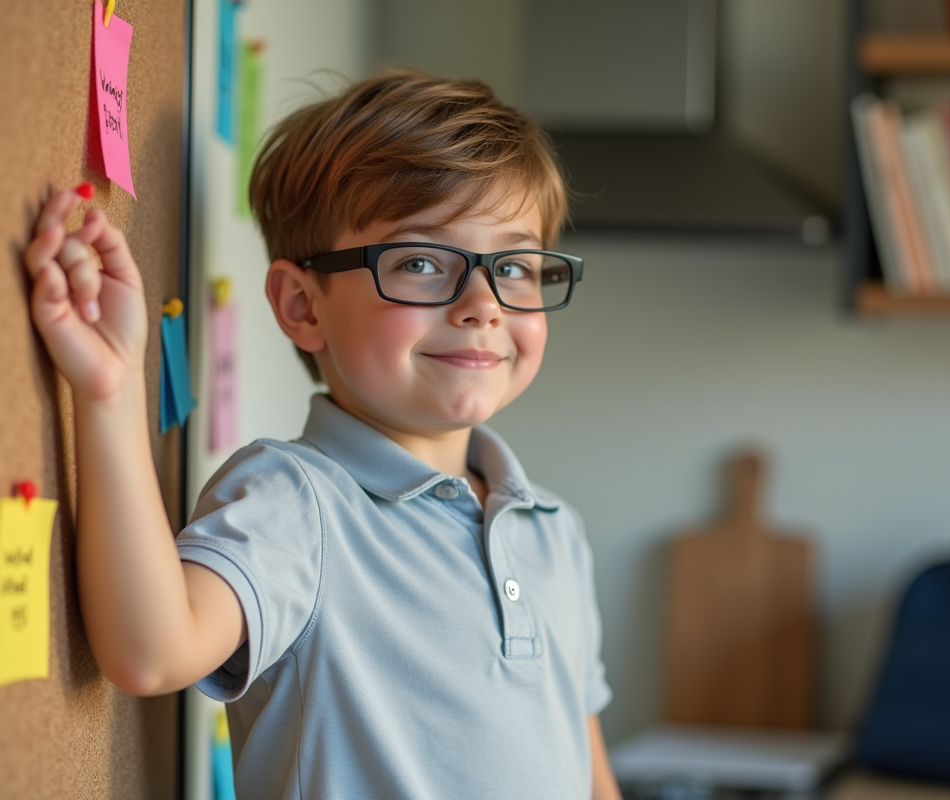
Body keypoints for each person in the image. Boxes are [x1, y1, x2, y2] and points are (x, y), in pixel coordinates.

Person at [23, 69, 621, 800]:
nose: (482, 305)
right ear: (303, 305)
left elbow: (590, 779)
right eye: (423, 262)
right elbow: (150, 651)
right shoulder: (295, 503)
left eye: (516, 267)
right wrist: (109, 392)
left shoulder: (555, 533)